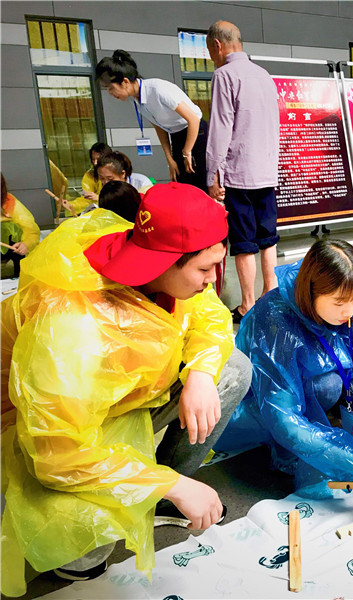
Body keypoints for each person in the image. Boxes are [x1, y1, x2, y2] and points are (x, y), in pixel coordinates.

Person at [0, 183, 251, 595]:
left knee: (231, 369)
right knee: (80, 547)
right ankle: (156, 493)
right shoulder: (72, 326)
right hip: (41, 423)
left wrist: (201, 375)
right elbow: (58, 452)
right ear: (164, 263)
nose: (213, 281)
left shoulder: (159, 266)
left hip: (112, 398)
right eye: (205, 270)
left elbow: (209, 318)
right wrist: (168, 482)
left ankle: (160, 495)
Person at [215, 239, 353, 498]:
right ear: (311, 291)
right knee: (323, 388)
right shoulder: (274, 318)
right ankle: (301, 445)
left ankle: (326, 425)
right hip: (267, 404)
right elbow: (282, 415)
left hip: (329, 386)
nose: (349, 312)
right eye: (339, 303)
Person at [205, 20, 280, 323]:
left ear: (218, 46)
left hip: (240, 173)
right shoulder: (263, 75)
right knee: (268, 235)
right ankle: (271, 293)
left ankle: (248, 302)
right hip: (266, 170)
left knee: (244, 240)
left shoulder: (224, 75)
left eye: (210, 50)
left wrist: (213, 172)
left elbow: (221, 128)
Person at [95, 50, 207, 190]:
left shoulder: (158, 89)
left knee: (200, 182)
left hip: (196, 133)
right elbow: (159, 127)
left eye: (111, 88)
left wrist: (187, 152)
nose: (111, 94)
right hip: (176, 136)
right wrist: (169, 159)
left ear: (125, 82)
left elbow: (193, 119)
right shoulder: (137, 100)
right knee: (180, 183)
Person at [0, 174, 40, 279]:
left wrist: (26, 244)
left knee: (22, 268)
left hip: (12, 244)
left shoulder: (10, 203)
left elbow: (31, 230)